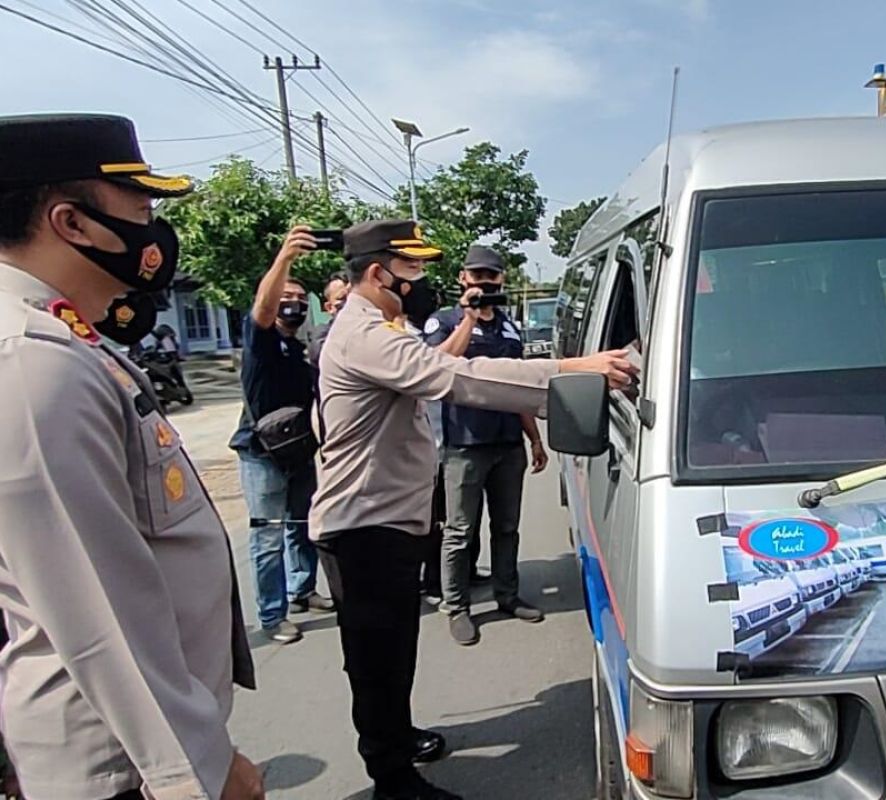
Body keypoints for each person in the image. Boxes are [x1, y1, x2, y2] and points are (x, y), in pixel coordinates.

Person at [310, 219, 635, 800]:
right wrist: (571, 369)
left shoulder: (384, 325)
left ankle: (398, 737)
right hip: (363, 525)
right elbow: (460, 377)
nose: (423, 281)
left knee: (393, 647)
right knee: (375, 656)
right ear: (381, 273)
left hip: (386, 516)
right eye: (413, 270)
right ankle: (391, 777)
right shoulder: (364, 334)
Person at [0, 113, 260, 799]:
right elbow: (95, 610)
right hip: (120, 765)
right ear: (72, 223)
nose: (155, 232)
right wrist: (194, 770)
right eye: (140, 208)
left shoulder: (67, 339)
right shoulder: (30, 365)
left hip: (132, 745)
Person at [424, 245, 549, 645]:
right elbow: (437, 365)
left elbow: (519, 386)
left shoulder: (510, 326)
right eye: (475, 275)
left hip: (507, 442)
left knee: (507, 527)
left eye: (490, 276)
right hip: (465, 445)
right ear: (463, 278)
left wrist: (534, 438)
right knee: (459, 531)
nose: (483, 282)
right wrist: (468, 316)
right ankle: (456, 606)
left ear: (501, 279)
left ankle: (507, 595)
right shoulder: (443, 321)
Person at [229, 226, 333, 644]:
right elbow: (263, 307)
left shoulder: (300, 349)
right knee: (268, 536)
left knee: (301, 525)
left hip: (298, 451)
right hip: (261, 455)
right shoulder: (262, 340)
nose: (291, 305)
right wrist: (285, 259)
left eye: (298, 300)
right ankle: (272, 617)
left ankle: (303, 591)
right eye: (283, 299)